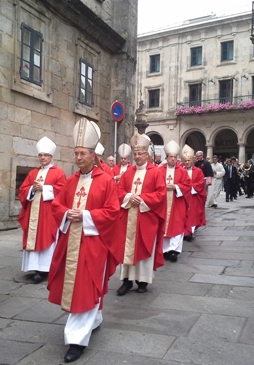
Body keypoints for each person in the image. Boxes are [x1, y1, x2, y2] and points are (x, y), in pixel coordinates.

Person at [47, 118, 121, 363]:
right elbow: (57, 205)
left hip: (93, 244)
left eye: (82, 154)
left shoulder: (106, 181)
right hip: (71, 244)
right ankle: (95, 319)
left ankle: (76, 340)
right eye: (75, 153)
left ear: (92, 155)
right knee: (78, 286)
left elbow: (112, 212)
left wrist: (87, 215)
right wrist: (67, 213)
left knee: (86, 287)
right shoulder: (71, 181)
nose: (77, 158)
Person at [116, 131, 166, 295]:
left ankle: (143, 281)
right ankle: (126, 281)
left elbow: (161, 194)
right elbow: (118, 191)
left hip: (146, 218)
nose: (137, 157)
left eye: (140, 154)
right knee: (126, 248)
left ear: (147, 155)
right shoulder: (128, 173)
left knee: (144, 248)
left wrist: (142, 199)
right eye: (135, 154)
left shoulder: (155, 172)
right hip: (128, 218)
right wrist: (129, 196)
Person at [18, 136, 66, 284]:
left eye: (46, 155)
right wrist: (32, 188)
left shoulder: (58, 173)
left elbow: (63, 192)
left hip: (48, 214)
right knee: (34, 237)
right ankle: (34, 267)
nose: (43, 158)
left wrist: (45, 189)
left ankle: (45, 269)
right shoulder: (33, 173)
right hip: (34, 212)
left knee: (46, 237)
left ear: (51, 157)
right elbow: (23, 189)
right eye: (40, 155)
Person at [159, 140, 191, 262]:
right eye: (171, 157)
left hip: (177, 203)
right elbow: (153, 185)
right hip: (163, 203)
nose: (173, 159)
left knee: (176, 225)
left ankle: (174, 251)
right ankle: (164, 250)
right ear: (166, 157)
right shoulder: (159, 170)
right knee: (163, 226)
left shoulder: (182, 171)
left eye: (175, 157)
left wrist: (176, 187)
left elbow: (187, 186)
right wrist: (163, 187)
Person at [182, 145, 206, 241]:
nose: (187, 162)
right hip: (182, 197)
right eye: (185, 161)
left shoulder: (198, 171)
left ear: (193, 161)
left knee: (192, 215)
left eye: (189, 161)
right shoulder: (180, 171)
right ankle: (183, 231)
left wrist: (189, 188)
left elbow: (200, 183)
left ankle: (190, 232)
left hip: (193, 197)